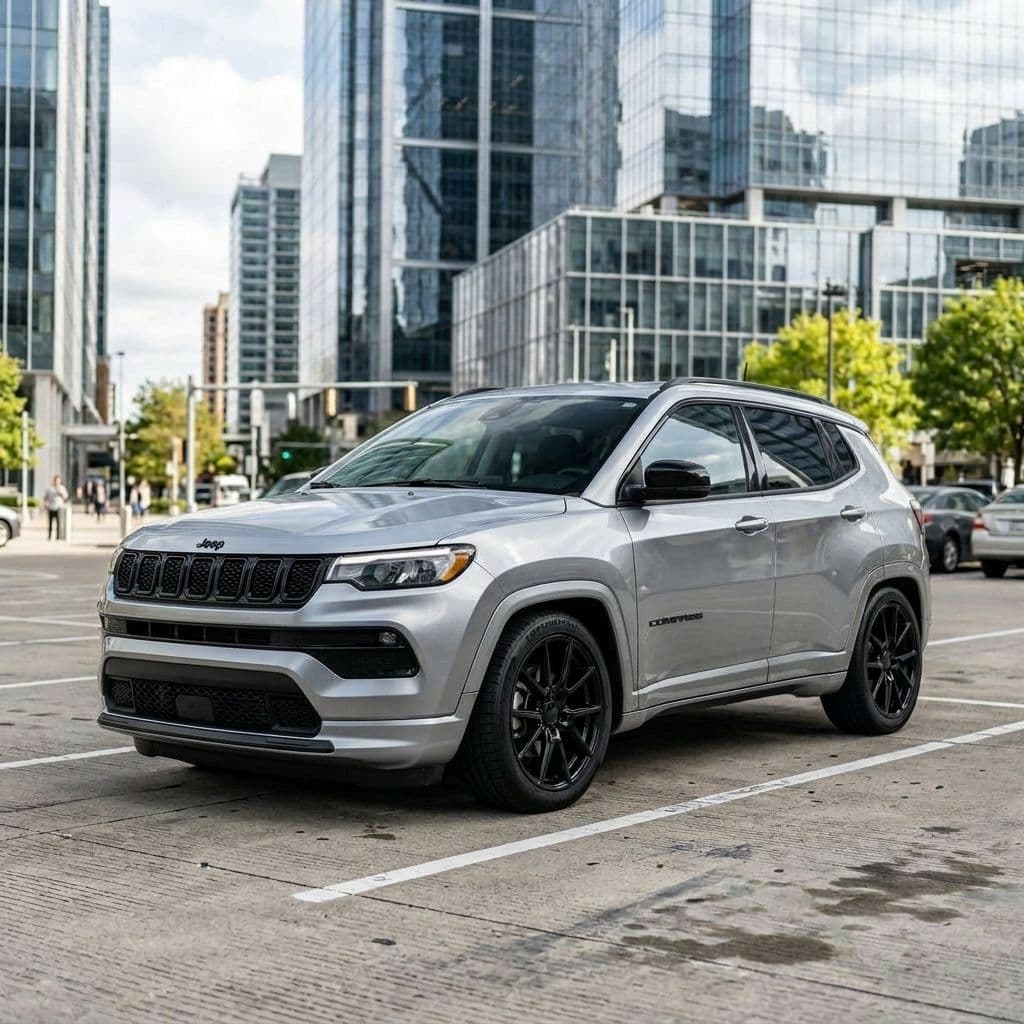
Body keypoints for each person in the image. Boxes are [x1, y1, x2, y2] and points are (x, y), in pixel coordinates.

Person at [43, 475, 67, 541]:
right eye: (56, 480)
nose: (57, 482)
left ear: (60, 481)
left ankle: (58, 537)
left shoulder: (62, 488)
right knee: (50, 523)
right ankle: (49, 536)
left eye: (58, 480)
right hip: (51, 507)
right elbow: (45, 497)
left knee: (59, 523)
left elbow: (65, 497)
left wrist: (60, 492)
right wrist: (45, 503)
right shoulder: (49, 488)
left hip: (59, 507)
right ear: (54, 481)